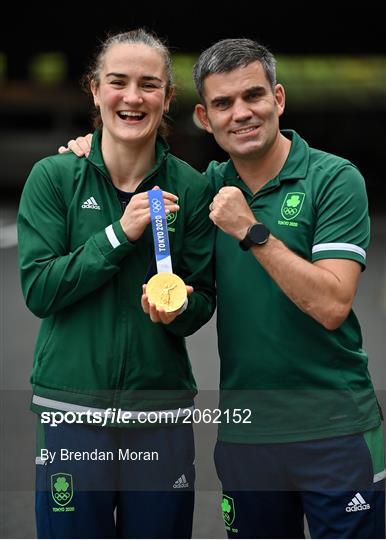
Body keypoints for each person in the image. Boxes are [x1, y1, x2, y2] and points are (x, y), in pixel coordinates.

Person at [59, 39, 385, 539]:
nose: (241, 113)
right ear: (204, 119)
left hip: (336, 431)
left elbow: (332, 304)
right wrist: (89, 148)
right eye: (223, 104)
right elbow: (130, 164)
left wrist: (251, 231)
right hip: (246, 435)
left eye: (253, 96)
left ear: (277, 98)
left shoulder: (333, 179)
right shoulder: (203, 188)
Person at [17, 29, 216, 539]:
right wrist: (118, 234)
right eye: (118, 82)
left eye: (149, 85)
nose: (132, 97)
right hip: (72, 411)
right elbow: (40, 290)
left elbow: (203, 301)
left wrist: (181, 310)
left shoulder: (190, 188)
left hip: (160, 413)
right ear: (94, 90)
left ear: (168, 98)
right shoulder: (55, 178)